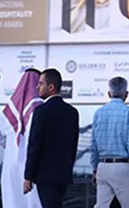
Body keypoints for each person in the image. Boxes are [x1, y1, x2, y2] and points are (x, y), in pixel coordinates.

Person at [24, 68, 79, 208]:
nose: (37, 87)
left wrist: (28, 176)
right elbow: (73, 146)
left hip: (45, 176)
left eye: (41, 83)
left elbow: (34, 145)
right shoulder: (72, 112)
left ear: (51, 87)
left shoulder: (41, 111)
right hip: (63, 174)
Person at [91, 77, 129, 208]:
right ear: (126, 94)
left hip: (103, 166)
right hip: (122, 167)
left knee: (101, 205)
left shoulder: (98, 113)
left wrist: (95, 169)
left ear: (109, 93)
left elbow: (93, 145)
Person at [0, 69, 43, 208]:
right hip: (32, 170)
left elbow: (1, 137)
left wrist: (11, 144)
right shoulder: (41, 110)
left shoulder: (8, 112)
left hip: (11, 167)